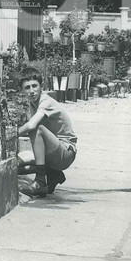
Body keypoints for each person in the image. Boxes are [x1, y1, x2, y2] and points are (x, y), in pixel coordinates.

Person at [15, 67, 77, 198]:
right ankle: (54, 175)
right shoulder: (33, 103)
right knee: (18, 165)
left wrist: (11, 134)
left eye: (34, 86)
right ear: (21, 90)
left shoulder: (45, 101)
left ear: (41, 86)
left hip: (66, 152)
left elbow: (32, 125)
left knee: (37, 129)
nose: (31, 91)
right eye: (27, 87)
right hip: (55, 151)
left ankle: (40, 182)